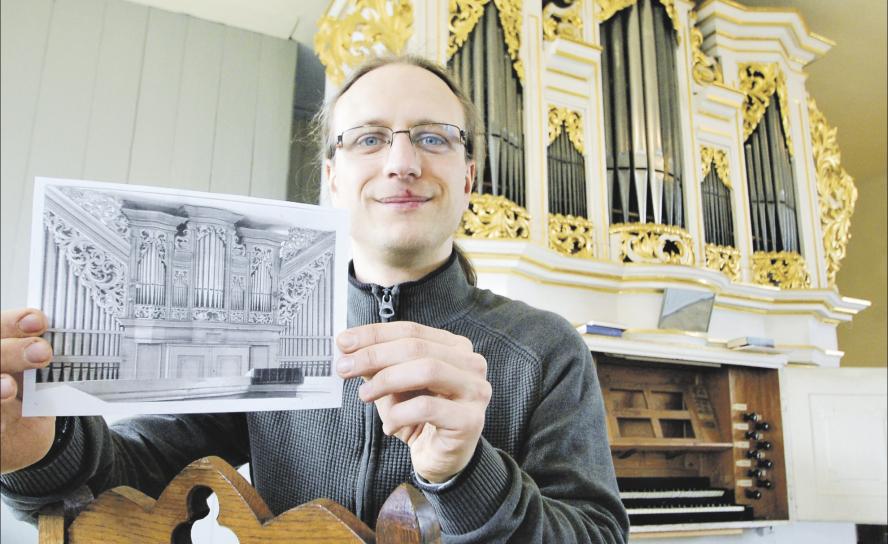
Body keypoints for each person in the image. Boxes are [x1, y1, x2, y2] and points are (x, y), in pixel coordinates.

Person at [0, 55, 629, 542]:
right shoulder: (267, 337)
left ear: (468, 176)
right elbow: (124, 475)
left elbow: (597, 535)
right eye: (369, 138)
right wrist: (34, 445)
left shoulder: (549, 350)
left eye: (434, 138)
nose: (403, 160)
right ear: (332, 176)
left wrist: (466, 473)